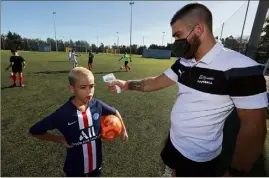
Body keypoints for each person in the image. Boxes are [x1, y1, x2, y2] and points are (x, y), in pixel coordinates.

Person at [106, 3, 268, 177]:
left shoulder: (241, 68)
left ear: (198, 29)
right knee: (173, 169)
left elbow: (253, 128)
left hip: (199, 157)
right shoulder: (183, 62)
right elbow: (154, 82)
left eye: (179, 36)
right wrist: (127, 84)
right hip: (175, 140)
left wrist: (236, 173)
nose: (176, 43)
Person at [29, 67, 128, 177]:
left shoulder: (97, 105)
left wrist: (123, 130)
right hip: (74, 169)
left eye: (92, 86)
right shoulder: (63, 113)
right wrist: (60, 139)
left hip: (96, 167)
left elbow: (115, 112)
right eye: (83, 87)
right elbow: (34, 131)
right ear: (72, 89)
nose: (89, 91)